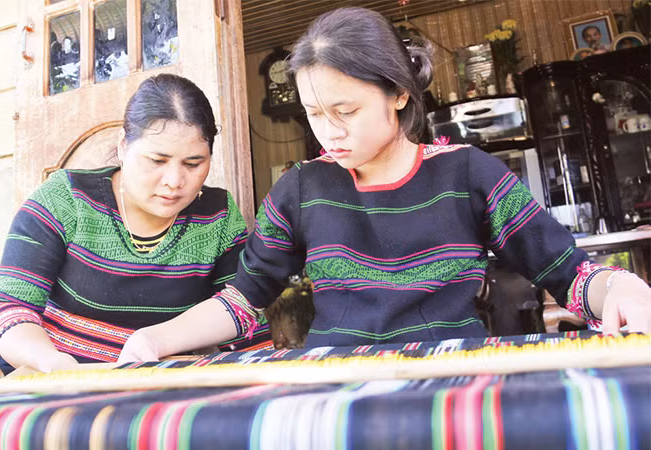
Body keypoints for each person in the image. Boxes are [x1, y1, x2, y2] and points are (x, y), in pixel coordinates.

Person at [117, 7, 651, 364]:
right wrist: (155, 339)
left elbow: (568, 272)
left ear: (398, 93)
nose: (329, 130)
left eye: (346, 110)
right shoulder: (302, 188)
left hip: (450, 380)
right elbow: (243, 299)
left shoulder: (468, 173)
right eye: (314, 113)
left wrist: (620, 289)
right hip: (335, 383)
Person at [0, 74, 271, 374]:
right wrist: (54, 365)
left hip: (155, 387)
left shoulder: (217, 217)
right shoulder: (66, 200)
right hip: (51, 375)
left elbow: (242, 313)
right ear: (123, 146)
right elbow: (10, 309)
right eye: (157, 160)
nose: (174, 181)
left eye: (193, 163)